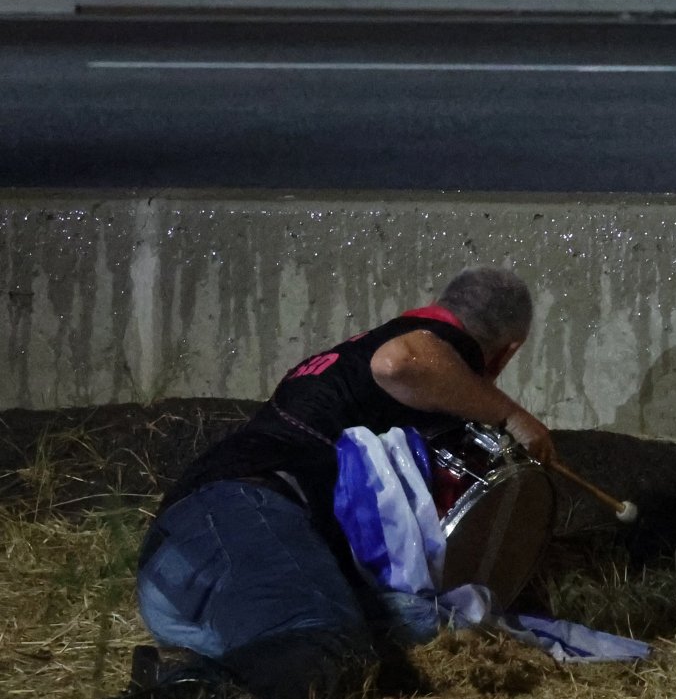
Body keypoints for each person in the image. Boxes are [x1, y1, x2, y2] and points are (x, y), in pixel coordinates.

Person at [124, 267, 552, 699]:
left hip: (199, 577)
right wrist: (510, 415)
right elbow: (397, 364)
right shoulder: (437, 344)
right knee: (329, 650)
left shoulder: (356, 357)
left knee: (421, 624)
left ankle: (191, 677)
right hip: (236, 517)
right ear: (505, 353)